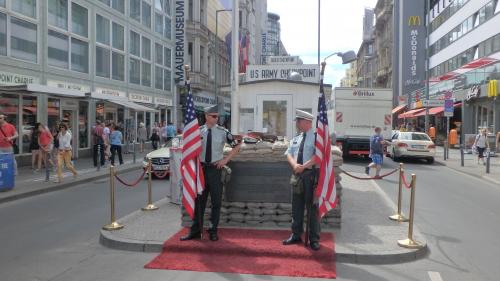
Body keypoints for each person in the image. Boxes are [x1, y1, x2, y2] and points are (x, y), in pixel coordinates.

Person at [180, 105, 241, 242]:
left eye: (217, 116)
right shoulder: (197, 131)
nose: (216, 118)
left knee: (216, 202)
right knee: (199, 202)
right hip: (201, 170)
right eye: (214, 116)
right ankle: (195, 230)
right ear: (207, 116)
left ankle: (213, 230)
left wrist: (225, 160)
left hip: (215, 170)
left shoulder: (223, 132)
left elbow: (237, 145)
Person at [282, 109, 321, 251]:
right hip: (297, 176)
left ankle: (314, 239)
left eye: (299, 121)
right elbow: (289, 153)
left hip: (310, 176)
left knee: (312, 209)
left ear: (307, 122)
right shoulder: (297, 138)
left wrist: (303, 166)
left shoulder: (317, 137)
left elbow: (319, 156)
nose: (297, 123)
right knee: (296, 207)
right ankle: (296, 234)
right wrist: (295, 165)